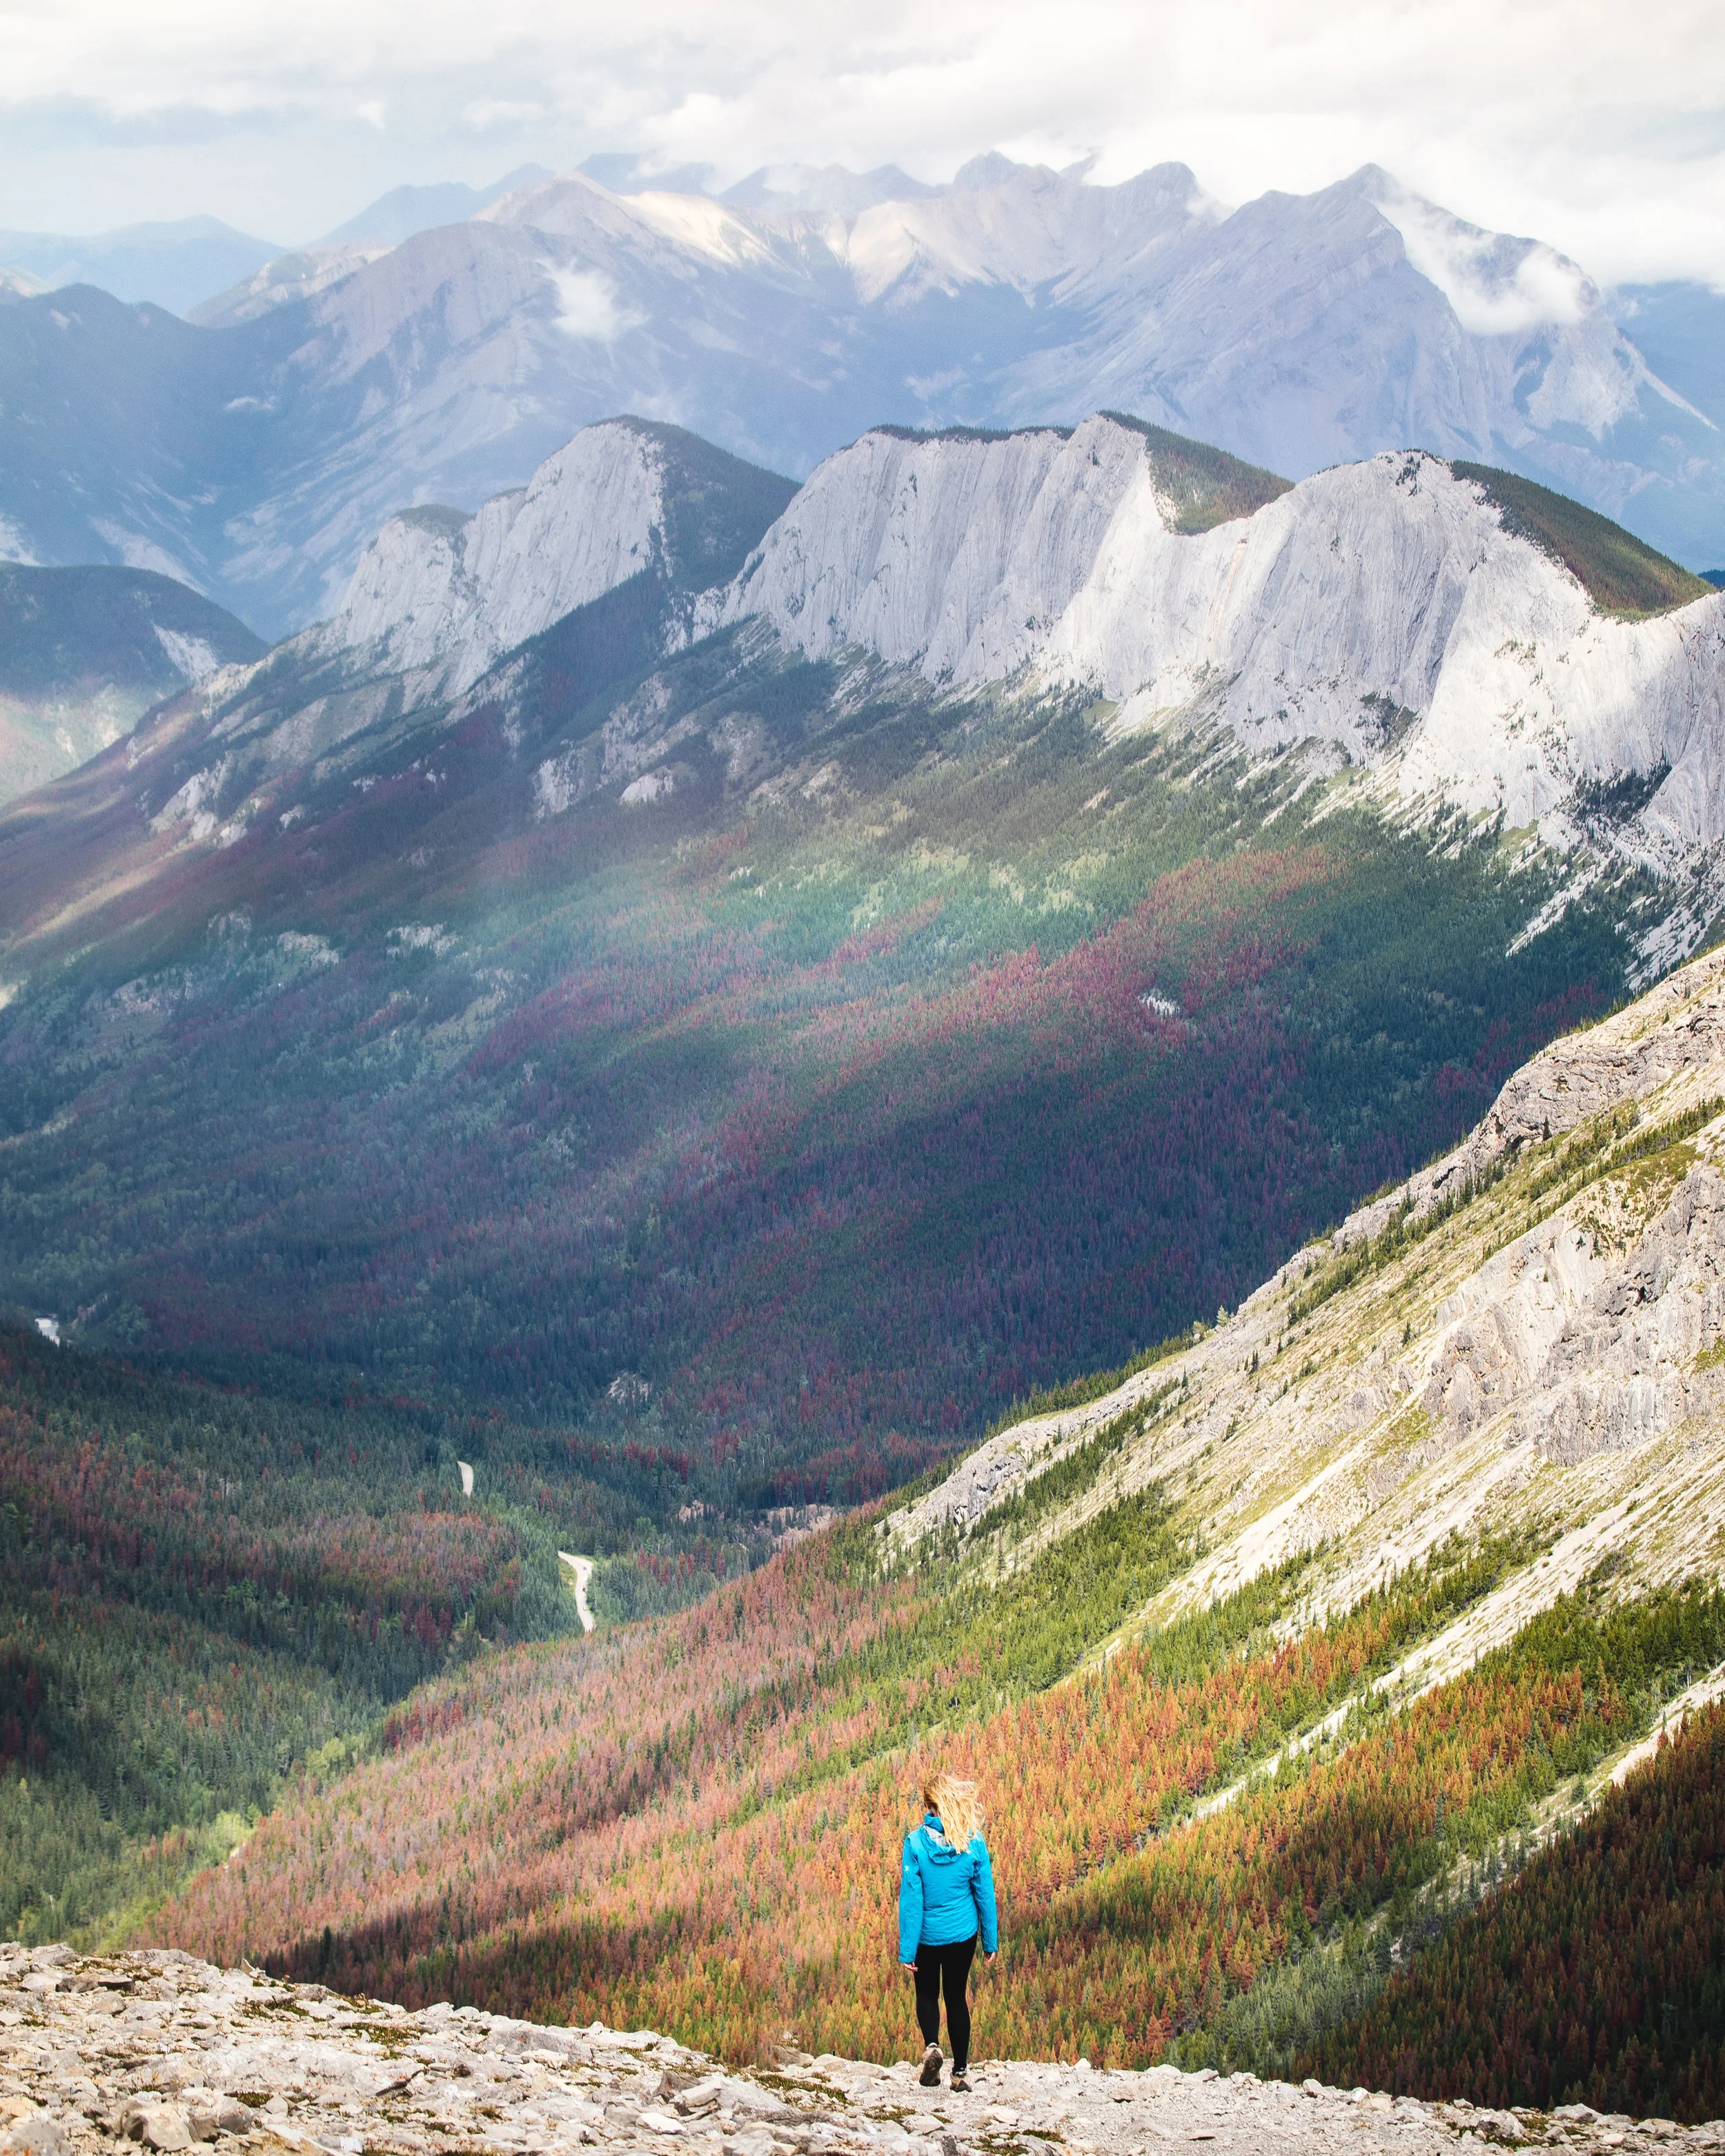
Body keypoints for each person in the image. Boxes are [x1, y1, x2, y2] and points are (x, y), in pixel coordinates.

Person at [897, 1769, 998, 2091]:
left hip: (927, 1937)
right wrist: (990, 1940)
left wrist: (907, 1950)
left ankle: (932, 2048)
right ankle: (960, 2073)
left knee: (926, 1993)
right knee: (956, 1997)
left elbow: (912, 1901)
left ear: (930, 1807)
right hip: (962, 1935)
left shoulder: (915, 1844)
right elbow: (984, 1893)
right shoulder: (973, 1842)